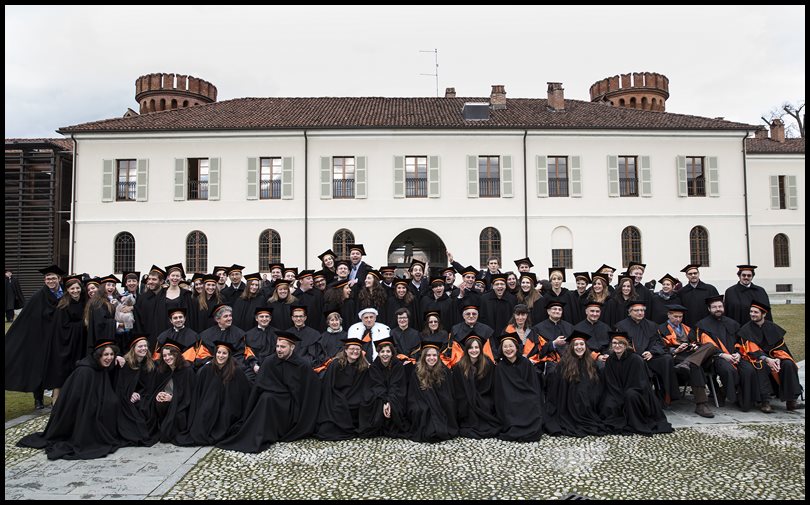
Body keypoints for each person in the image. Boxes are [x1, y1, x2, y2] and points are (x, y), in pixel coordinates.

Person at [17, 337, 123, 460]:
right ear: (98, 355)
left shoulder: (100, 368)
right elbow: (78, 400)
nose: (109, 357)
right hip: (80, 413)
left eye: (111, 354)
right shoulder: (85, 371)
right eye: (106, 354)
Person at [216, 331, 322, 452]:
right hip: (271, 400)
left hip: (290, 406)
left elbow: (311, 390)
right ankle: (259, 433)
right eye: (277, 346)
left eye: (283, 347)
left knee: (268, 399)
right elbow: (259, 386)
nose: (279, 350)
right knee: (266, 398)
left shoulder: (302, 365)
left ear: (292, 347)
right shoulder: (269, 361)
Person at [175, 340, 251, 446]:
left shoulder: (236, 371)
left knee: (225, 416)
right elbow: (199, 393)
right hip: (210, 403)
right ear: (215, 354)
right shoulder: (206, 369)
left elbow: (243, 394)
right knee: (204, 416)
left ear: (229, 355)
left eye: (224, 353)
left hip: (228, 406)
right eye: (219, 352)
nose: (221, 356)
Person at [600, 331, 673, 435]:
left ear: (626, 345)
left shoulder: (636, 359)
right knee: (608, 401)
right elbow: (610, 381)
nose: (617, 345)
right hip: (617, 391)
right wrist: (617, 393)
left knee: (630, 396)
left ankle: (635, 423)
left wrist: (625, 393)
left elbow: (640, 383)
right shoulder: (610, 360)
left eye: (620, 343)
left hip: (637, 392)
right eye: (615, 343)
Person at [695, 295, 759, 411]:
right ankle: (729, 394)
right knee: (727, 369)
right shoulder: (702, 325)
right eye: (714, 307)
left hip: (735, 356)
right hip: (715, 358)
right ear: (709, 309)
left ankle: (744, 400)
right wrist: (723, 355)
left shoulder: (733, 323)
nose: (718, 309)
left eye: (720, 306)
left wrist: (738, 353)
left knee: (749, 369)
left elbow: (741, 341)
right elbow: (705, 345)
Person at [738, 300, 803, 412]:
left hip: (775, 357)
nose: (752, 314)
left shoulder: (772, 327)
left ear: (763, 314)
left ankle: (791, 401)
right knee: (761, 365)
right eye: (751, 311)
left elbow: (781, 347)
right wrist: (767, 359)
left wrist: (777, 359)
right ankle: (765, 401)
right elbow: (751, 349)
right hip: (756, 358)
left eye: (756, 312)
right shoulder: (746, 329)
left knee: (788, 363)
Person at [615, 300, 680, 408]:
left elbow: (658, 342)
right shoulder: (621, 326)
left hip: (650, 357)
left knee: (667, 359)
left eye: (642, 310)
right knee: (637, 360)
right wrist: (636, 354)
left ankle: (666, 396)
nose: (640, 313)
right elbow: (619, 345)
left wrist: (651, 352)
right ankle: (642, 399)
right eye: (636, 311)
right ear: (629, 312)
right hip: (631, 359)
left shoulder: (652, 325)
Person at [545, 330, 608, 437]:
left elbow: (596, 384)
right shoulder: (564, 363)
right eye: (576, 345)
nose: (579, 347)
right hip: (569, 403)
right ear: (572, 347)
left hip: (588, 403)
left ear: (586, 346)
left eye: (582, 344)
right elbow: (559, 388)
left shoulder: (591, 363)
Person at [658, 304, 716, 418]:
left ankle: (688, 362)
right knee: (696, 366)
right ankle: (701, 404)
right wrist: (675, 350)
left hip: (690, 355)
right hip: (676, 357)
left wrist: (694, 346)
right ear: (669, 315)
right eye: (675, 316)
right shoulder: (661, 329)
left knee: (710, 345)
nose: (678, 319)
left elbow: (696, 342)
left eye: (680, 317)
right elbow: (659, 347)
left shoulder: (687, 328)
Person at [314, 336, 371, 440]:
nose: (355, 351)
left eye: (357, 349)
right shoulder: (336, 364)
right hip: (336, 395)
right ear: (345, 350)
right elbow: (328, 386)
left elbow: (363, 386)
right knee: (328, 427)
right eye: (352, 349)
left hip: (354, 396)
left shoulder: (362, 366)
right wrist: (339, 398)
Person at [404, 336, 458, 442]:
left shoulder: (444, 371)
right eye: (428, 355)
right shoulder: (416, 371)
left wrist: (442, 401)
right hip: (422, 401)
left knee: (448, 404)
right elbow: (413, 394)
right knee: (421, 409)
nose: (431, 358)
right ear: (424, 357)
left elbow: (448, 392)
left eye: (434, 355)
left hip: (440, 403)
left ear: (438, 357)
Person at [492, 331, 544, 441]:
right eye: (505, 347)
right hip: (508, 399)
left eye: (511, 346)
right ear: (501, 349)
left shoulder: (526, 363)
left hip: (526, 396)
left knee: (531, 401)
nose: (508, 349)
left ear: (516, 348)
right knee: (509, 403)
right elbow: (499, 391)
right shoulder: (500, 367)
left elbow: (533, 386)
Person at [44, 275, 87, 404]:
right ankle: (56, 401)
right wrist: (83, 324)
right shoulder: (63, 305)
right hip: (65, 344)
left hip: (80, 343)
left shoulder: (84, 302)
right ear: (67, 290)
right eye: (72, 288)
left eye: (77, 288)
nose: (75, 291)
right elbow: (63, 327)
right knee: (62, 373)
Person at [451, 332, 500, 439]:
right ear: (466, 349)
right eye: (471, 348)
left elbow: (492, 386)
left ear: (481, 349)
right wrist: (470, 398)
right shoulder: (459, 367)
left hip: (484, 396)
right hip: (465, 399)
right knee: (467, 407)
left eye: (477, 347)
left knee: (485, 404)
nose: (474, 350)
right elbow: (457, 389)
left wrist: (479, 398)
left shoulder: (487, 363)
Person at [359, 336, 409, 437]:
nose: (385, 354)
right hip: (380, 394)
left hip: (395, 394)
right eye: (382, 352)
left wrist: (390, 401)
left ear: (392, 353)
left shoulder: (398, 365)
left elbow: (396, 385)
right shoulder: (374, 366)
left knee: (395, 402)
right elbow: (377, 385)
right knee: (376, 401)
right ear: (378, 353)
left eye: (388, 351)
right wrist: (385, 401)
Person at [149, 339, 196, 444]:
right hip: (167, 400)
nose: (167, 358)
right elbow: (157, 387)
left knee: (179, 416)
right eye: (164, 356)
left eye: (170, 355)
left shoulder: (187, 370)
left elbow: (189, 395)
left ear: (177, 355)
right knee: (158, 403)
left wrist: (173, 398)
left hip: (182, 404)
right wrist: (159, 394)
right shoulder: (162, 370)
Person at [116, 332, 158, 447]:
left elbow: (150, 386)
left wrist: (140, 394)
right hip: (127, 396)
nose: (143, 348)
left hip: (145, 395)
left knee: (146, 406)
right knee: (132, 408)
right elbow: (122, 385)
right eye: (140, 346)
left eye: (145, 346)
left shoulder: (150, 364)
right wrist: (131, 393)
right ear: (133, 349)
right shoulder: (126, 363)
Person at [84, 274, 120, 354]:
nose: (111, 287)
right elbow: (100, 322)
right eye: (108, 285)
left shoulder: (115, 299)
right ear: (103, 286)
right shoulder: (99, 302)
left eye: (113, 285)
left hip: (114, 337)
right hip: (102, 340)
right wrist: (117, 324)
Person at [572, 300, 612, 369]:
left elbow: (610, 345)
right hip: (585, 358)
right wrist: (596, 356)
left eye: (597, 311)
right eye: (592, 311)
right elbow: (576, 348)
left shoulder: (606, 327)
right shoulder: (578, 328)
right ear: (586, 312)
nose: (595, 314)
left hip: (605, 358)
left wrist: (607, 355)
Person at [243, 306, 278, 383]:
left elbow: (278, 352)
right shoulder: (248, 335)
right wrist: (254, 365)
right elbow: (248, 352)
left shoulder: (277, 334)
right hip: (254, 367)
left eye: (267, 316)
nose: (264, 319)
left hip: (272, 367)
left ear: (270, 319)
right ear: (256, 319)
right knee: (245, 379)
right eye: (261, 316)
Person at [479, 273, 518, 339]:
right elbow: (481, 317)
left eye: (502, 284)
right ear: (493, 286)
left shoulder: (512, 299)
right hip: (489, 335)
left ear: (505, 286)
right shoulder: (484, 299)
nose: (499, 286)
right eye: (497, 284)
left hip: (507, 335)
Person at [287, 304, 325, 368]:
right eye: (296, 316)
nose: (298, 319)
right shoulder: (287, 334)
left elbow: (316, 356)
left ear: (305, 318)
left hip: (307, 367)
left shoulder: (314, 334)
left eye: (301, 316)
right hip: (289, 366)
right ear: (292, 318)